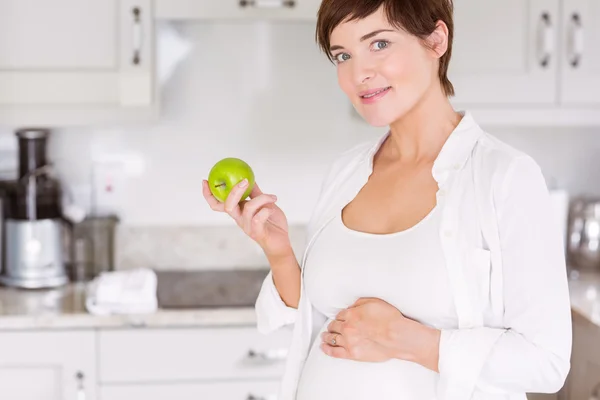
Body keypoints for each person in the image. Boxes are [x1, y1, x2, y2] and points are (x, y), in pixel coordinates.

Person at [202, 0, 573, 399]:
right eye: (342, 55)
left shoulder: (504, 176)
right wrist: (278, 252)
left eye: (379, 44)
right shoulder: (347, 172)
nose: (358, 73)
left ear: (436, 40)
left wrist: (405, 339)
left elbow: (546, 362)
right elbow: (321, 318)